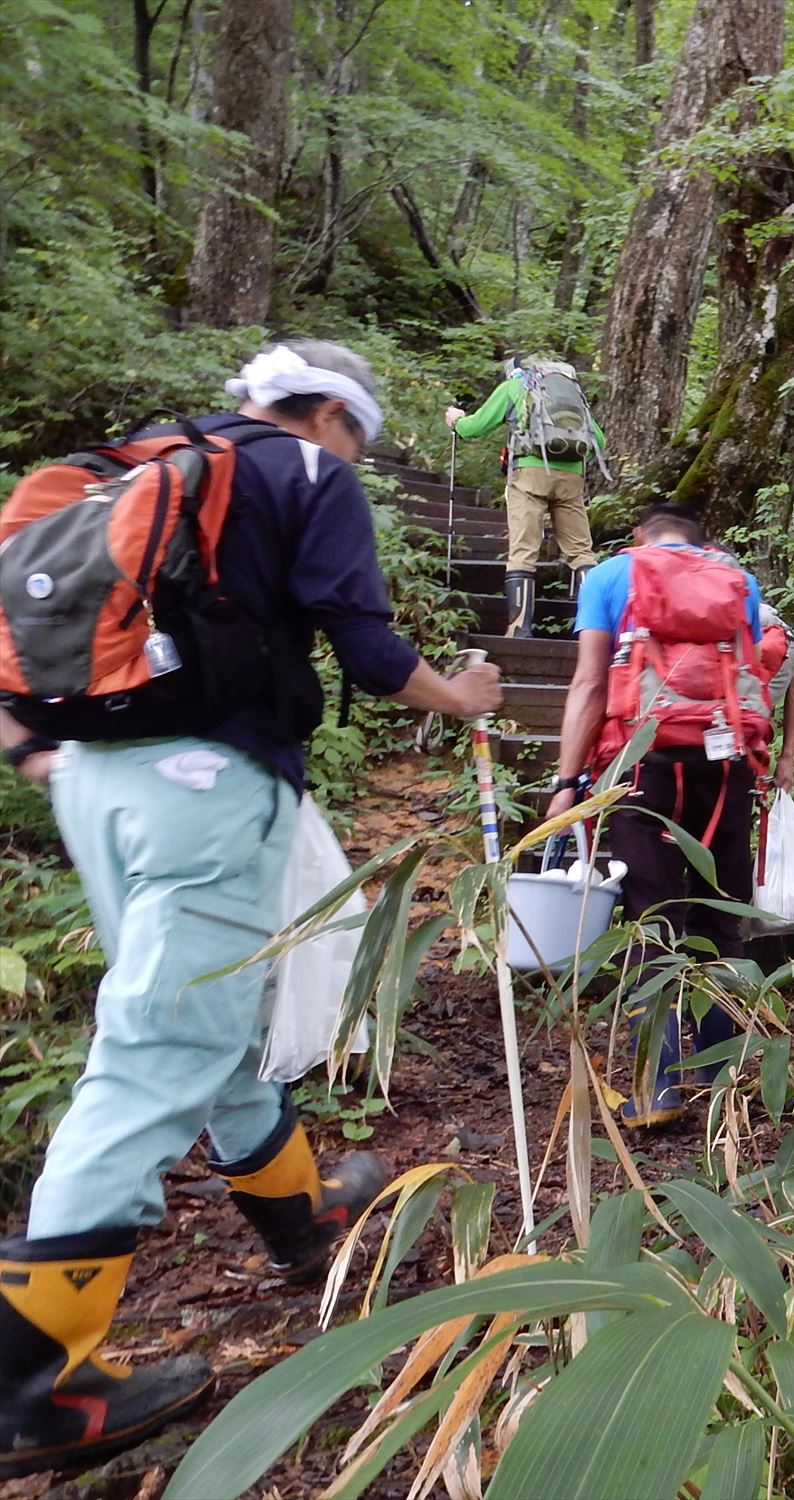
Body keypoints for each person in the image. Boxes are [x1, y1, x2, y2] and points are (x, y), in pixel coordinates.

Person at [0, 341, 504, 1478]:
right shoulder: (308, 472)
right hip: (208, 786)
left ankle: (301, 1219)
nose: (355, 457)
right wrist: (461, 694)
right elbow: (367, 647)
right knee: (160, 1046)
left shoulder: (135, 463)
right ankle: (33, 1382)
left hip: (90, 780)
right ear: (331, 415)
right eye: (359, 438)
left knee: (204, 1011)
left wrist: (37, 752)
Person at [544, 503, 782, 1129]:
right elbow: (750, 671)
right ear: (703, 541)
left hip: (644, 763)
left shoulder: (609, 575)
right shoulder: (740, 581)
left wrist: (568, 781)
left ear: (639, 536)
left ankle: (658, 1090)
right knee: (721, 919)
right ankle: (720, 1082)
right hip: (726, 766)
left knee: (652, 922)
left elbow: (590, 683)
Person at [444, 358, 604, 637]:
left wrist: (456, 421)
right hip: (571, 477)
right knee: (581, 552)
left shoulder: (515, 386)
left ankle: (520, 630)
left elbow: (474, 427)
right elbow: (598, 442)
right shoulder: (570, 391)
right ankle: (596, 628)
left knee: (523, 551)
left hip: (529, 475)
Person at [761, 601, 794, 795]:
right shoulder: (757, 616)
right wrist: (787, 757)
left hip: (676, 743)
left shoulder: (677, 616)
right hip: (741, 746)